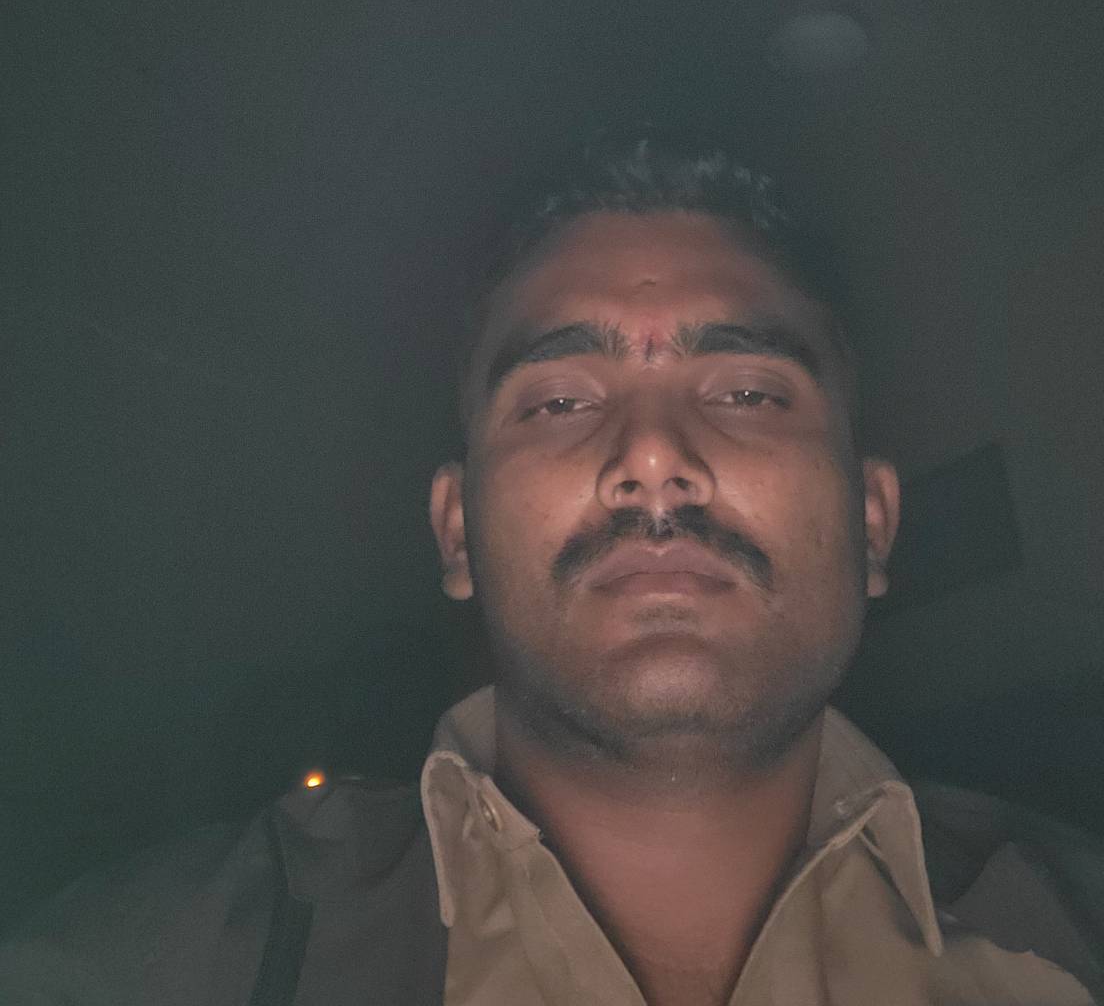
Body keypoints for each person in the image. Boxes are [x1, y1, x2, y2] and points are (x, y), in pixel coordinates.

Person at [2, 137, 1102, 1004]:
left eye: (748, 391)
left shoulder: (1075, 934)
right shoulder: (158, 963)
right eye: (561, 400)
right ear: (456, 532)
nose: (653, 455)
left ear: (873, 523)